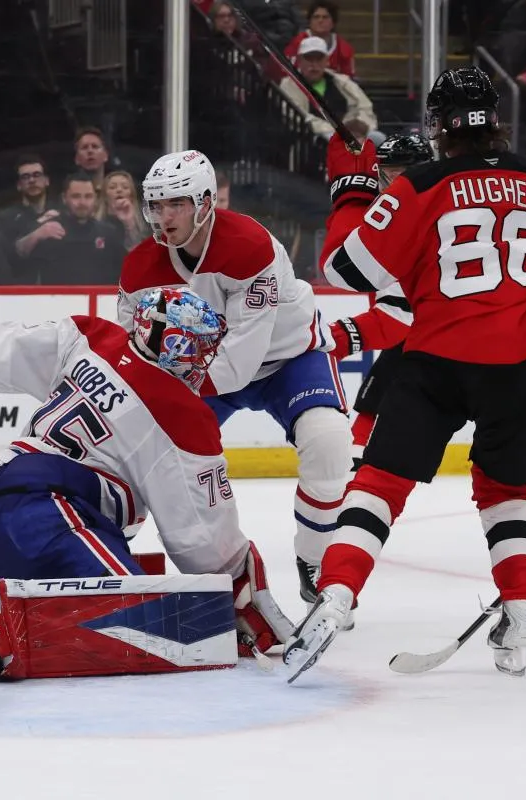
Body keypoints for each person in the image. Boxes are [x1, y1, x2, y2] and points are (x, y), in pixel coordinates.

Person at [288, 66, 526, 681]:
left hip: (443, 356)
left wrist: (354, 189)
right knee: (506, 491)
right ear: (495, 120)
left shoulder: (419, 184)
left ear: (439, 125)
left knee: (380, 484)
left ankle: (334, 594)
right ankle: (521, 611)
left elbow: (346, 270)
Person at [0, 276, 294, 679]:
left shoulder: (91, 339)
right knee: (160, 621)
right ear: (182, 351)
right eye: (202, 350)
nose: (206, 362)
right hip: (49, 520)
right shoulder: (182, 416)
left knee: (132, 591)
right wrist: (240, 593)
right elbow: (202, 545)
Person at [117, 150, 351, 616]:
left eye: (176, 204)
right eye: (156, 205)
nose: (164, 217)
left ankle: (315, 561)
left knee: (328, 440)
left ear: (204, 202)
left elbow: (239, 364)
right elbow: (132, 354)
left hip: (287, 358)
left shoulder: (248, 245)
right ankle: (106, 547)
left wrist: (167, 392)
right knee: (132, 451)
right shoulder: (139, 268)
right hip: (201, 372)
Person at [320, 133, 432, 467]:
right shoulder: (425, 203)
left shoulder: (413, 217)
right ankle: (357, 443)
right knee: (391, 373)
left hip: (429, 329)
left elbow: (339, 265)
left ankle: (353, 444)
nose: (392, 183)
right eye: (386, 173)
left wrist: (350, 192)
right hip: (429, 327)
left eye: (401, 173)